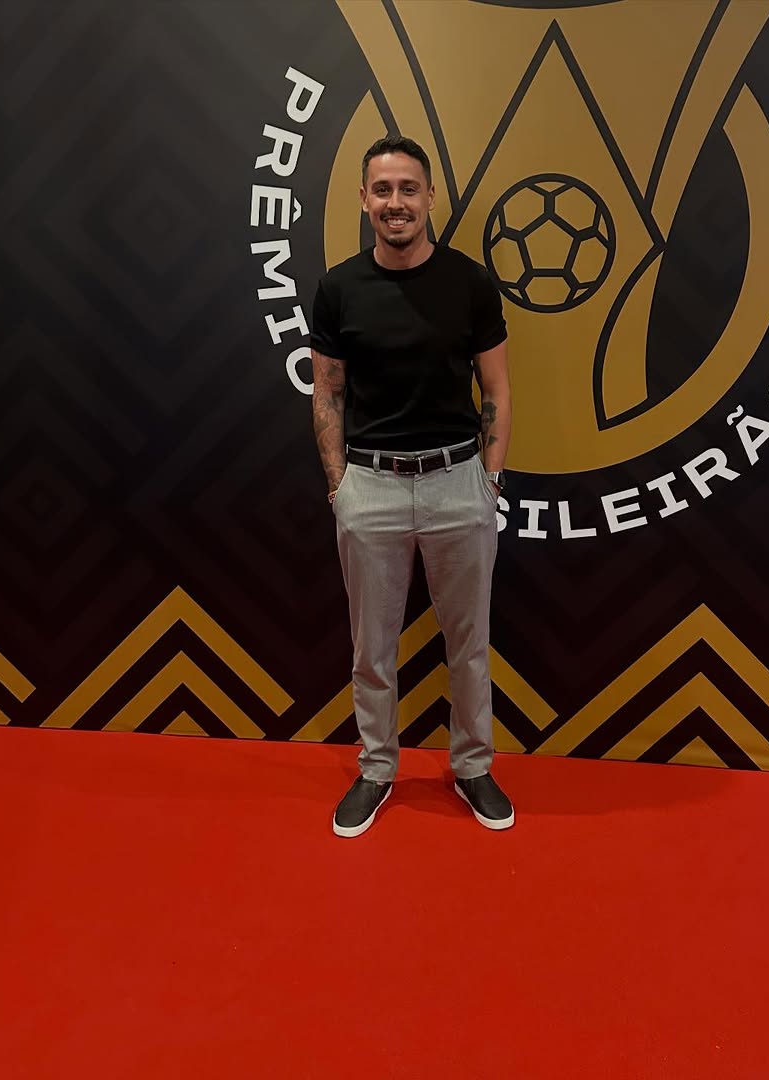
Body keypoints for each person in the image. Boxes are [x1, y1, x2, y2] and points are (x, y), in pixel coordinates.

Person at [309, 135, 514, 838]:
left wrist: (489, 479)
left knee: (470, 645)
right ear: (363, 199)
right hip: (370, 487)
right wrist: (340, 486)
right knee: (372, 650)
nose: (395, 202)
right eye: (382, 189)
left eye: (407, 188)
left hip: (459, 482)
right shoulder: (338, 288)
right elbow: (327, 391)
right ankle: (376, 769)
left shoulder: (470, 283)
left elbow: (496, 388)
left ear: (430, 197)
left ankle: (473, 766)